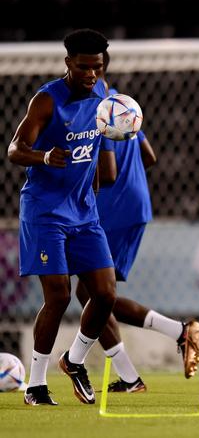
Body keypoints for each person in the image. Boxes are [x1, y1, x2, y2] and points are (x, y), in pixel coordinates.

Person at [73, 52, 199, 393]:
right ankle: (134, 373)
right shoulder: (121, 103)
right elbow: (150, 157)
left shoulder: (93, 107)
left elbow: (109, 173)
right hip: (135, 203)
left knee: (93, 293)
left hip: (111, 207)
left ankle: (175, 335)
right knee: (94, 293)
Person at [7, 29, 117, 406]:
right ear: (68, 63)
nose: (91, 75)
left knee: (104, 294)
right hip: (45, 213)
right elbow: (14, 148)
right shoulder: (46, 101)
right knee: (59, 295)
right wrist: (43, 156)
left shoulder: (103, 97)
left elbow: (97, 152)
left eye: (97, 68)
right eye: (84, 67)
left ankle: (74, 360)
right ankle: (35, 385)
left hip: (85, 214)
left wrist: (95, 190)